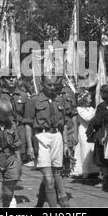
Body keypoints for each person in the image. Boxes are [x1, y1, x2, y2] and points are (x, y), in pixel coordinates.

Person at [25, 75, 70, 207]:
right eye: (49, 85)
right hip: (41, 137)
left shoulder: (60, 100)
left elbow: (64, 124)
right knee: (49, 179)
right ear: (42, 84)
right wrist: (30, 146)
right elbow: (28, 124)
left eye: (54, 85)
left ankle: (39, 204)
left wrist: (66, 143)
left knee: (56, 174)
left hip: (57, 136)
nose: (52, 88)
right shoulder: (33, 100)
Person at [72, 89, 98, 180]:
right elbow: (87, 118)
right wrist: (93, 113)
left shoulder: (91, 109)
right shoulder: (79, 109)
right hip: (83, 130)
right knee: (84, 149)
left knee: (92, 149)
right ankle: (84, 171)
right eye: (89, 98)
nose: (91, 101)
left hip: (91, 130)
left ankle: (93, 170)